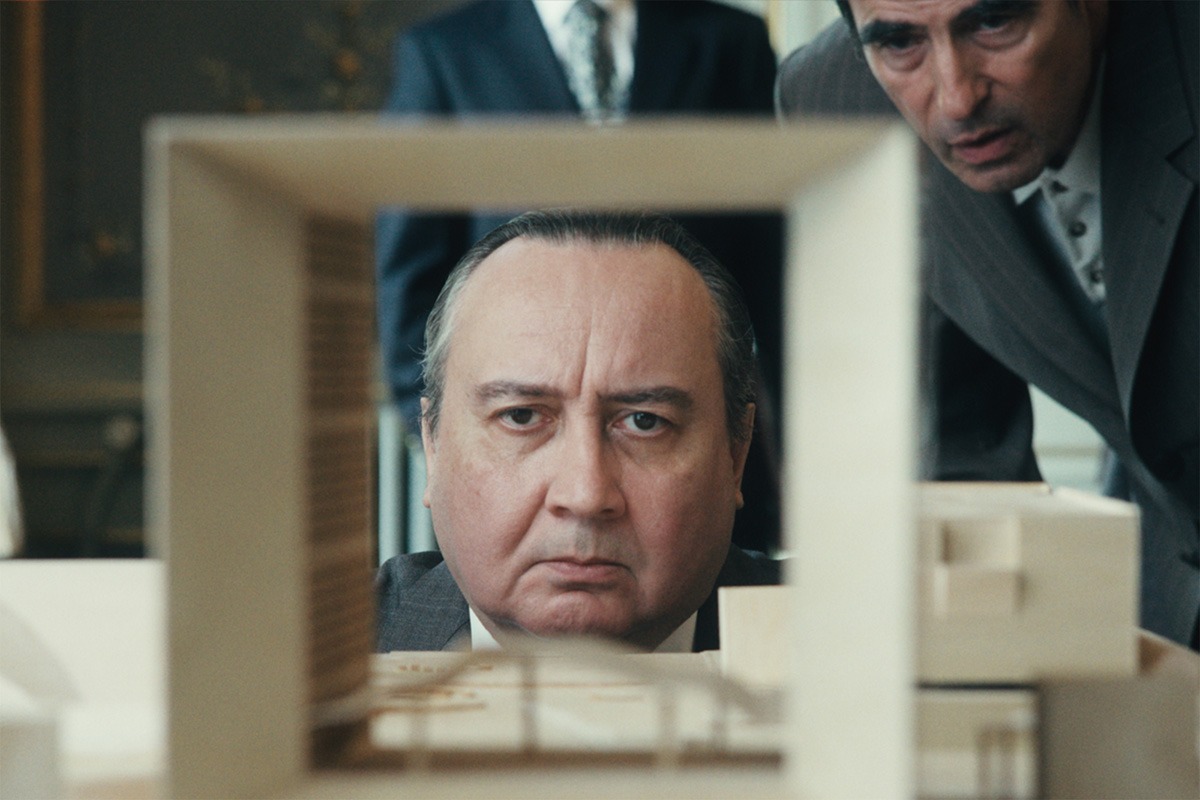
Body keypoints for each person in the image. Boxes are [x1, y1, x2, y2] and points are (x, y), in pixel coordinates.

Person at [777, 0, 1198, 648]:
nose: (956, 99)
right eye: (899, 43)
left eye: (995, 23)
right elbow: (955, 461)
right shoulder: (839, 102)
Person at [377, 0, 785, 552]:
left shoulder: (730, 41)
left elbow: (771, 262)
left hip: (677, 431)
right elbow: (409, 269)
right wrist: (450, 444)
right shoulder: (445, 50)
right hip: (518, 437)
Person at [375, 211, 780, 653]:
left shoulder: (836, 646)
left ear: (736, 454)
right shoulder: (324, 649)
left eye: (644, 421)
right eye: (521, 417)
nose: (585, 496)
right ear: (433, 444)